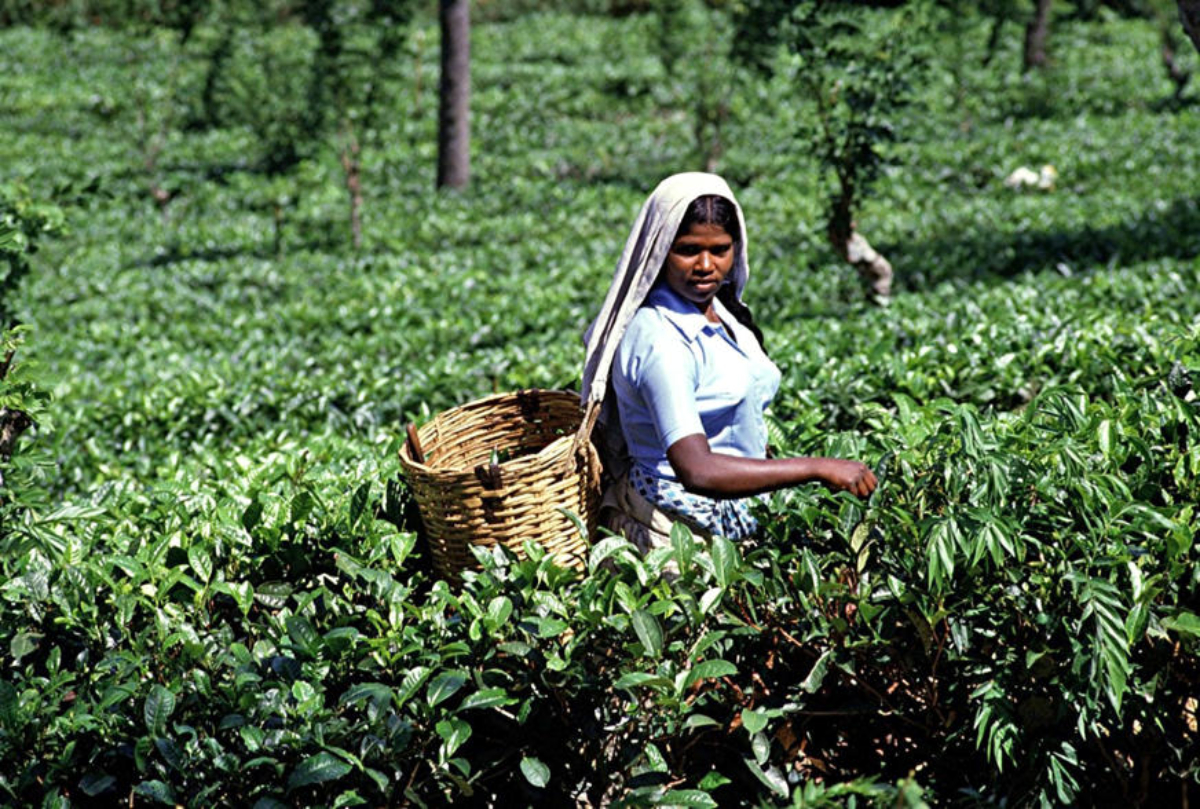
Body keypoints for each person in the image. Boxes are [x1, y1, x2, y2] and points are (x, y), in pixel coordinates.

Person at [581, 172, 877, 552]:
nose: (705, 265)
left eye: (719, 250)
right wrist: (818, 467)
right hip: (677, 533)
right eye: (688, 250)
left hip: (736, 515)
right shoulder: (661, 341)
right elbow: (696, 469)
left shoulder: (720, 310)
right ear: (660, 250)